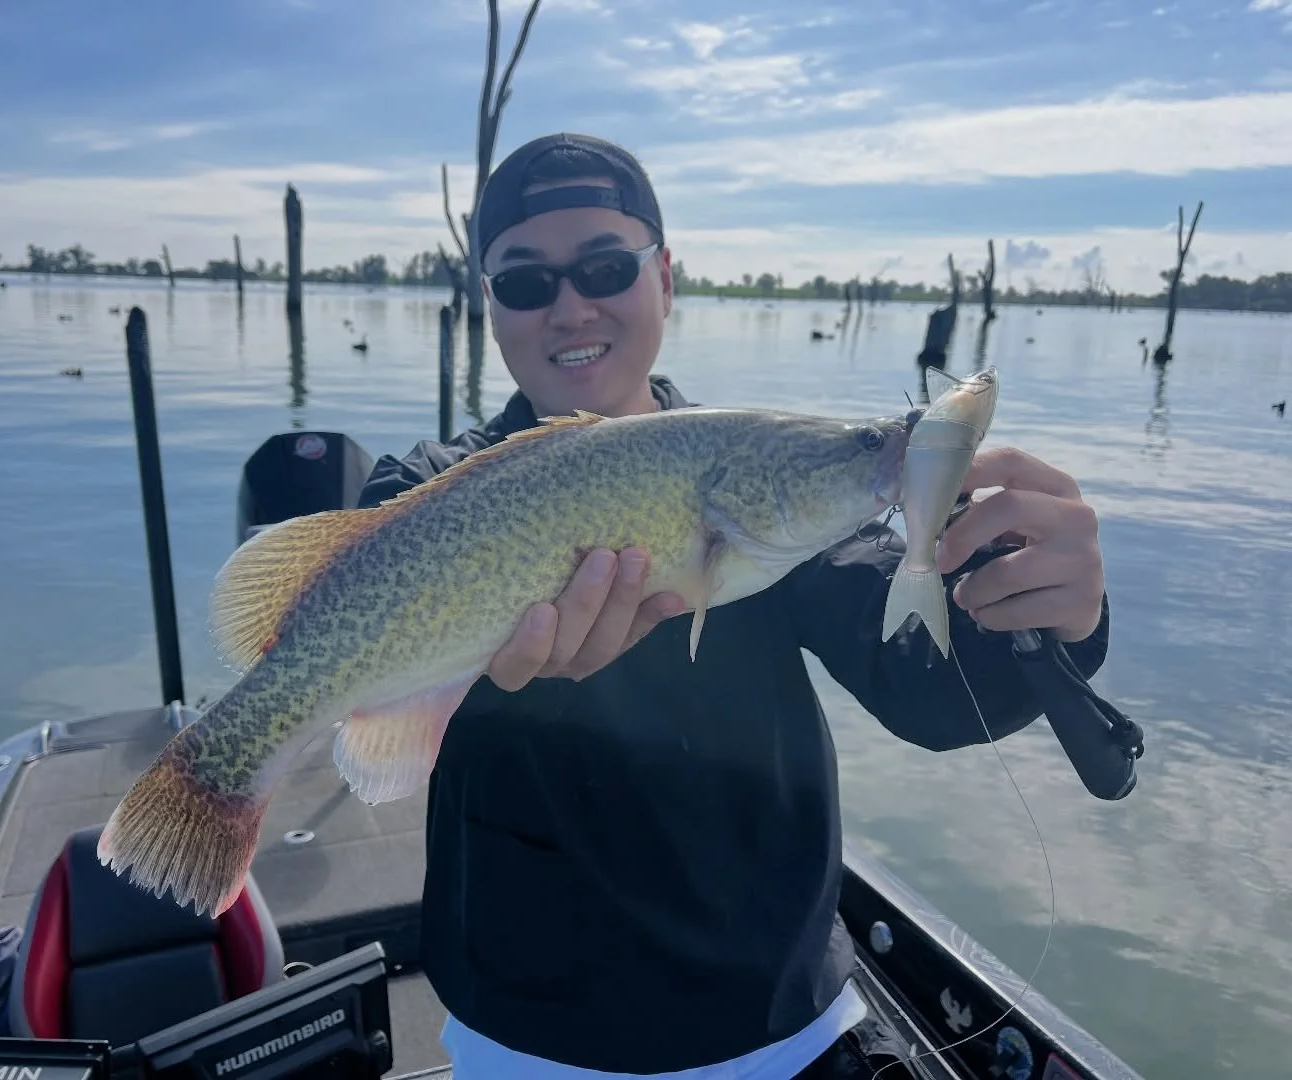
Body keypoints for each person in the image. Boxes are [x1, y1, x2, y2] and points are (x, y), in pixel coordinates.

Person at [356, 133, 1110, 1080]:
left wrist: (1043, 611)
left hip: (775, 1031)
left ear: (665, 278)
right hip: (525, 1036)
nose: (571, 305)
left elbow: (932, 687)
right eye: (524, 281)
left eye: (604, 266)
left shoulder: (761, 472)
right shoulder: (429, 487)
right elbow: (359, 591)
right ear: (489, 307)